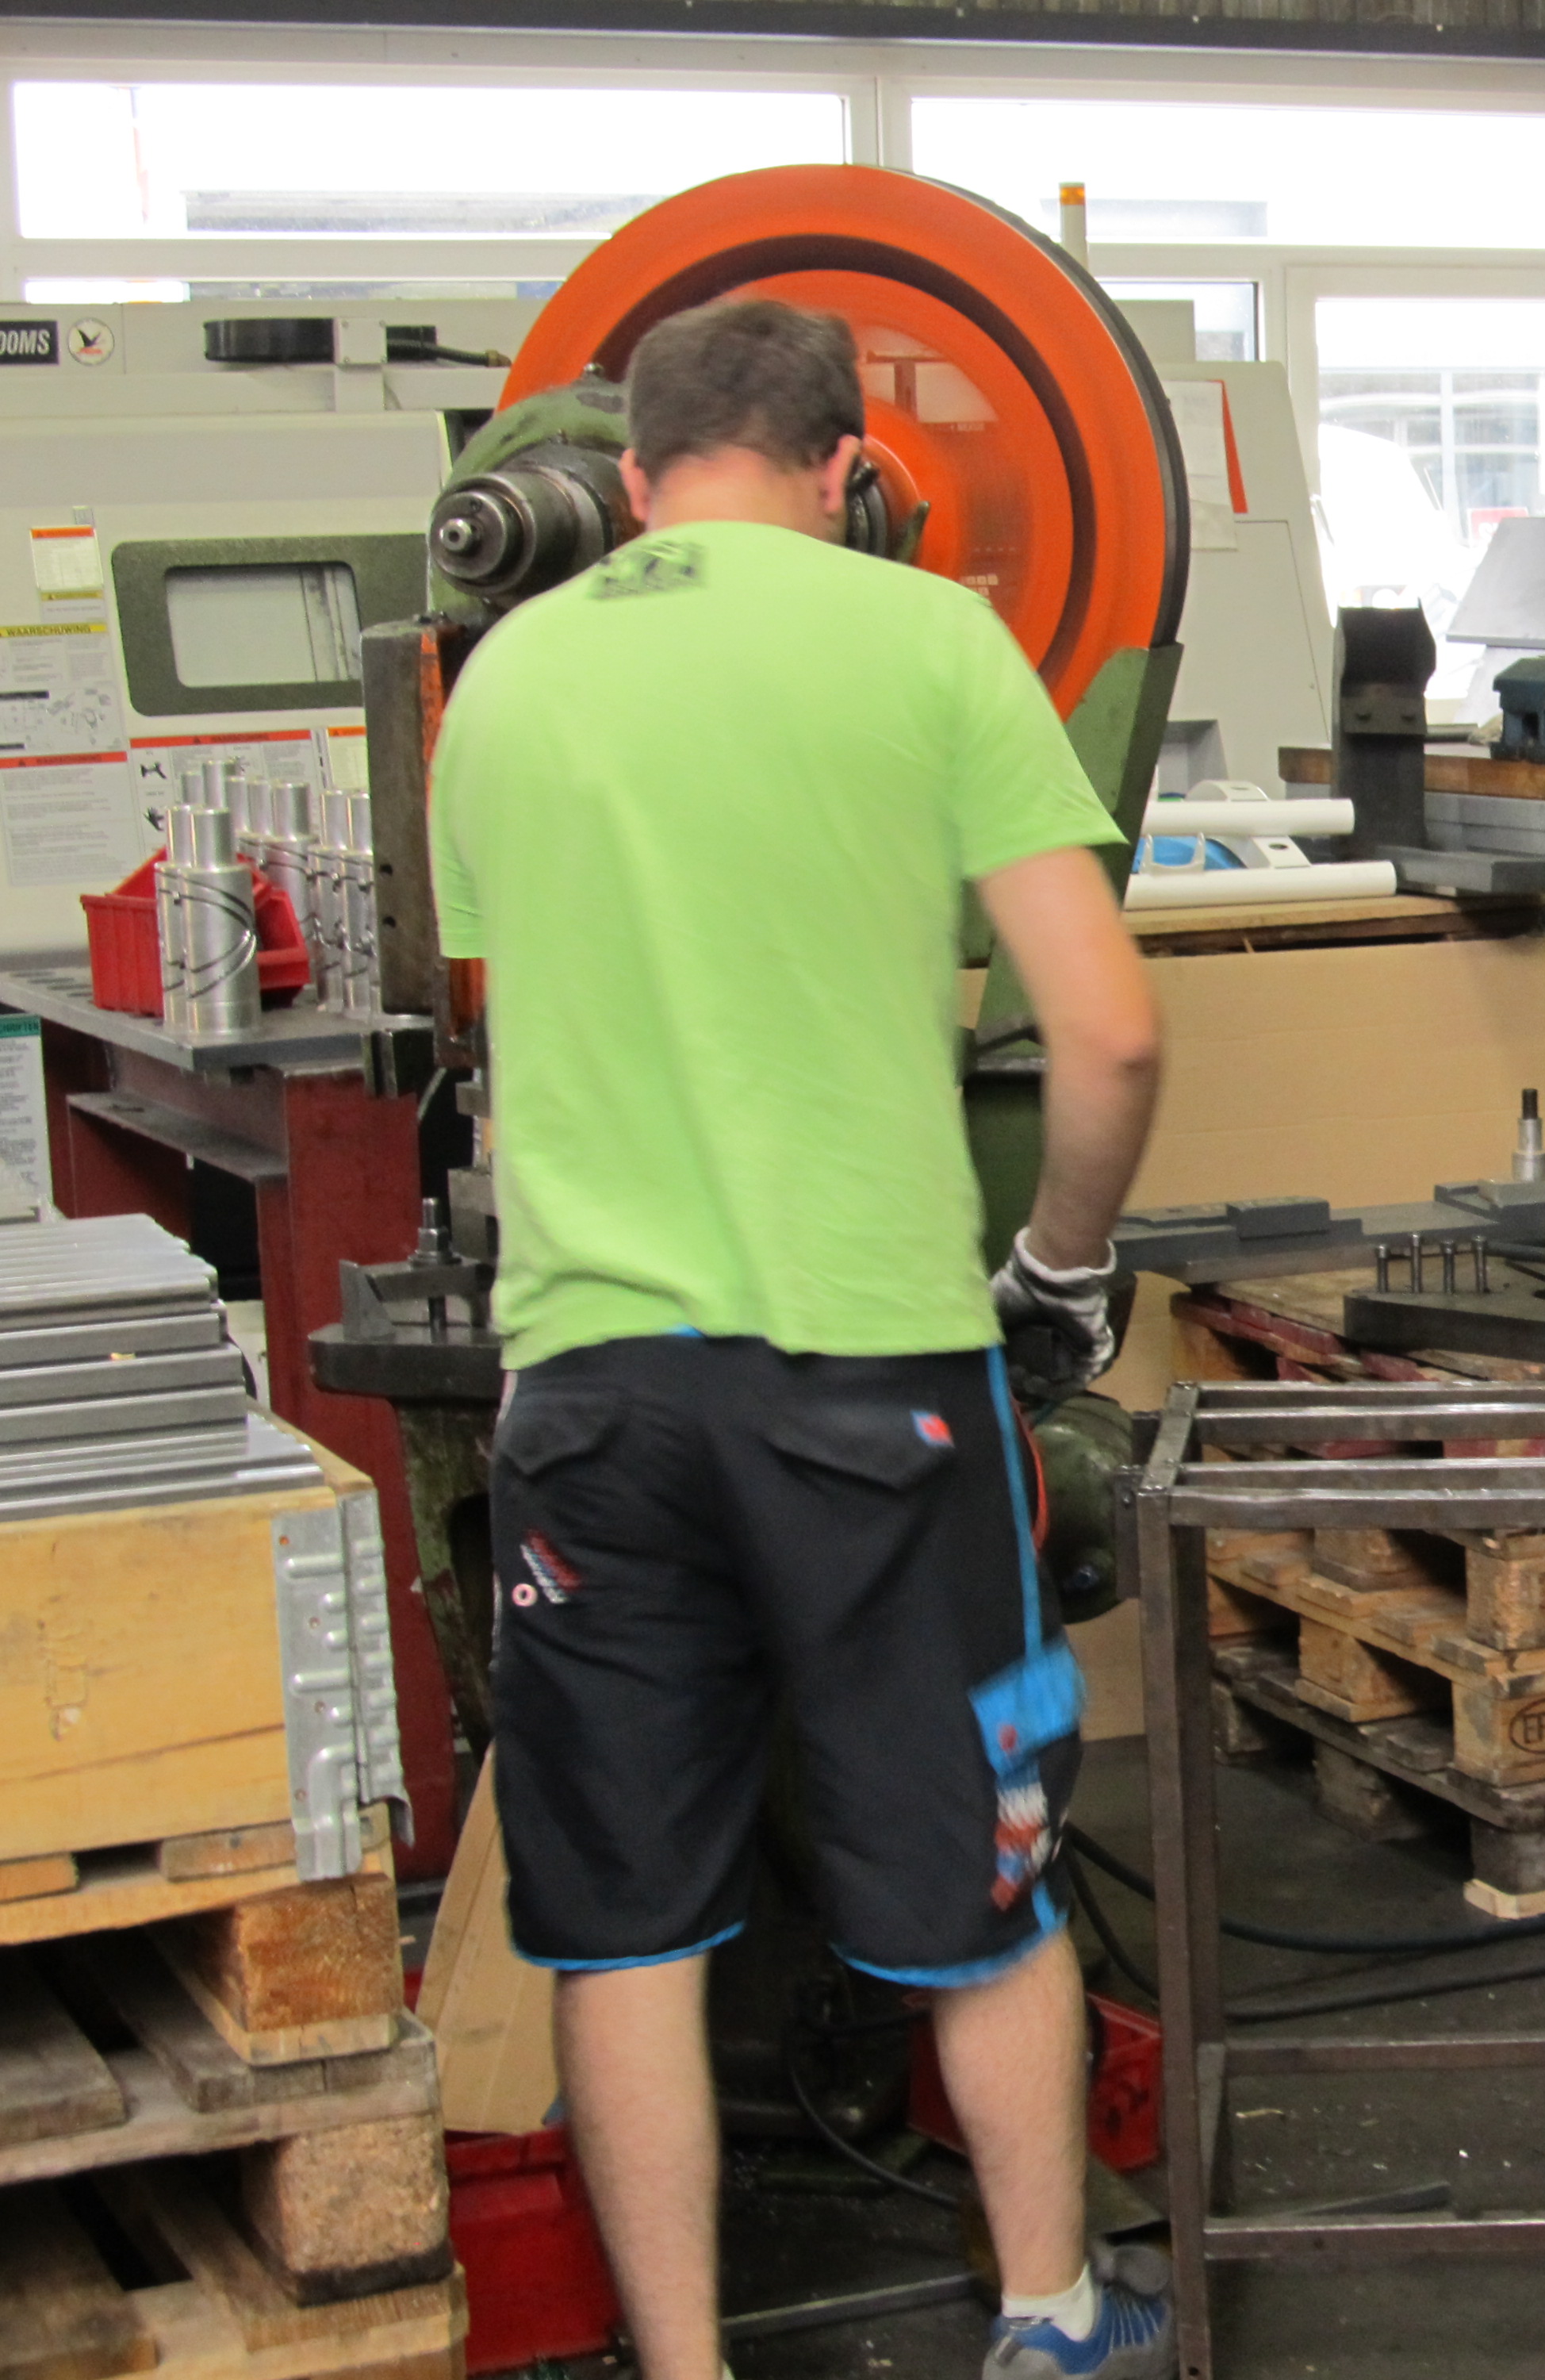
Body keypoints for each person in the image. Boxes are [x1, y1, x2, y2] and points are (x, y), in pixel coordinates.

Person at [433, 296, 1175, 2380]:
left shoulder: (504, 680)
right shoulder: (926, 641)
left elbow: (511, 1023)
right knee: (983, 1886)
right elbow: (1111, 1034)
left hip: (590, 1393)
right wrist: (1060, 1269)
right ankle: (1046, 2318)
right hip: (877, 1386)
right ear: (848, 469)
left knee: (625, 1931)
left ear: (632, 471)